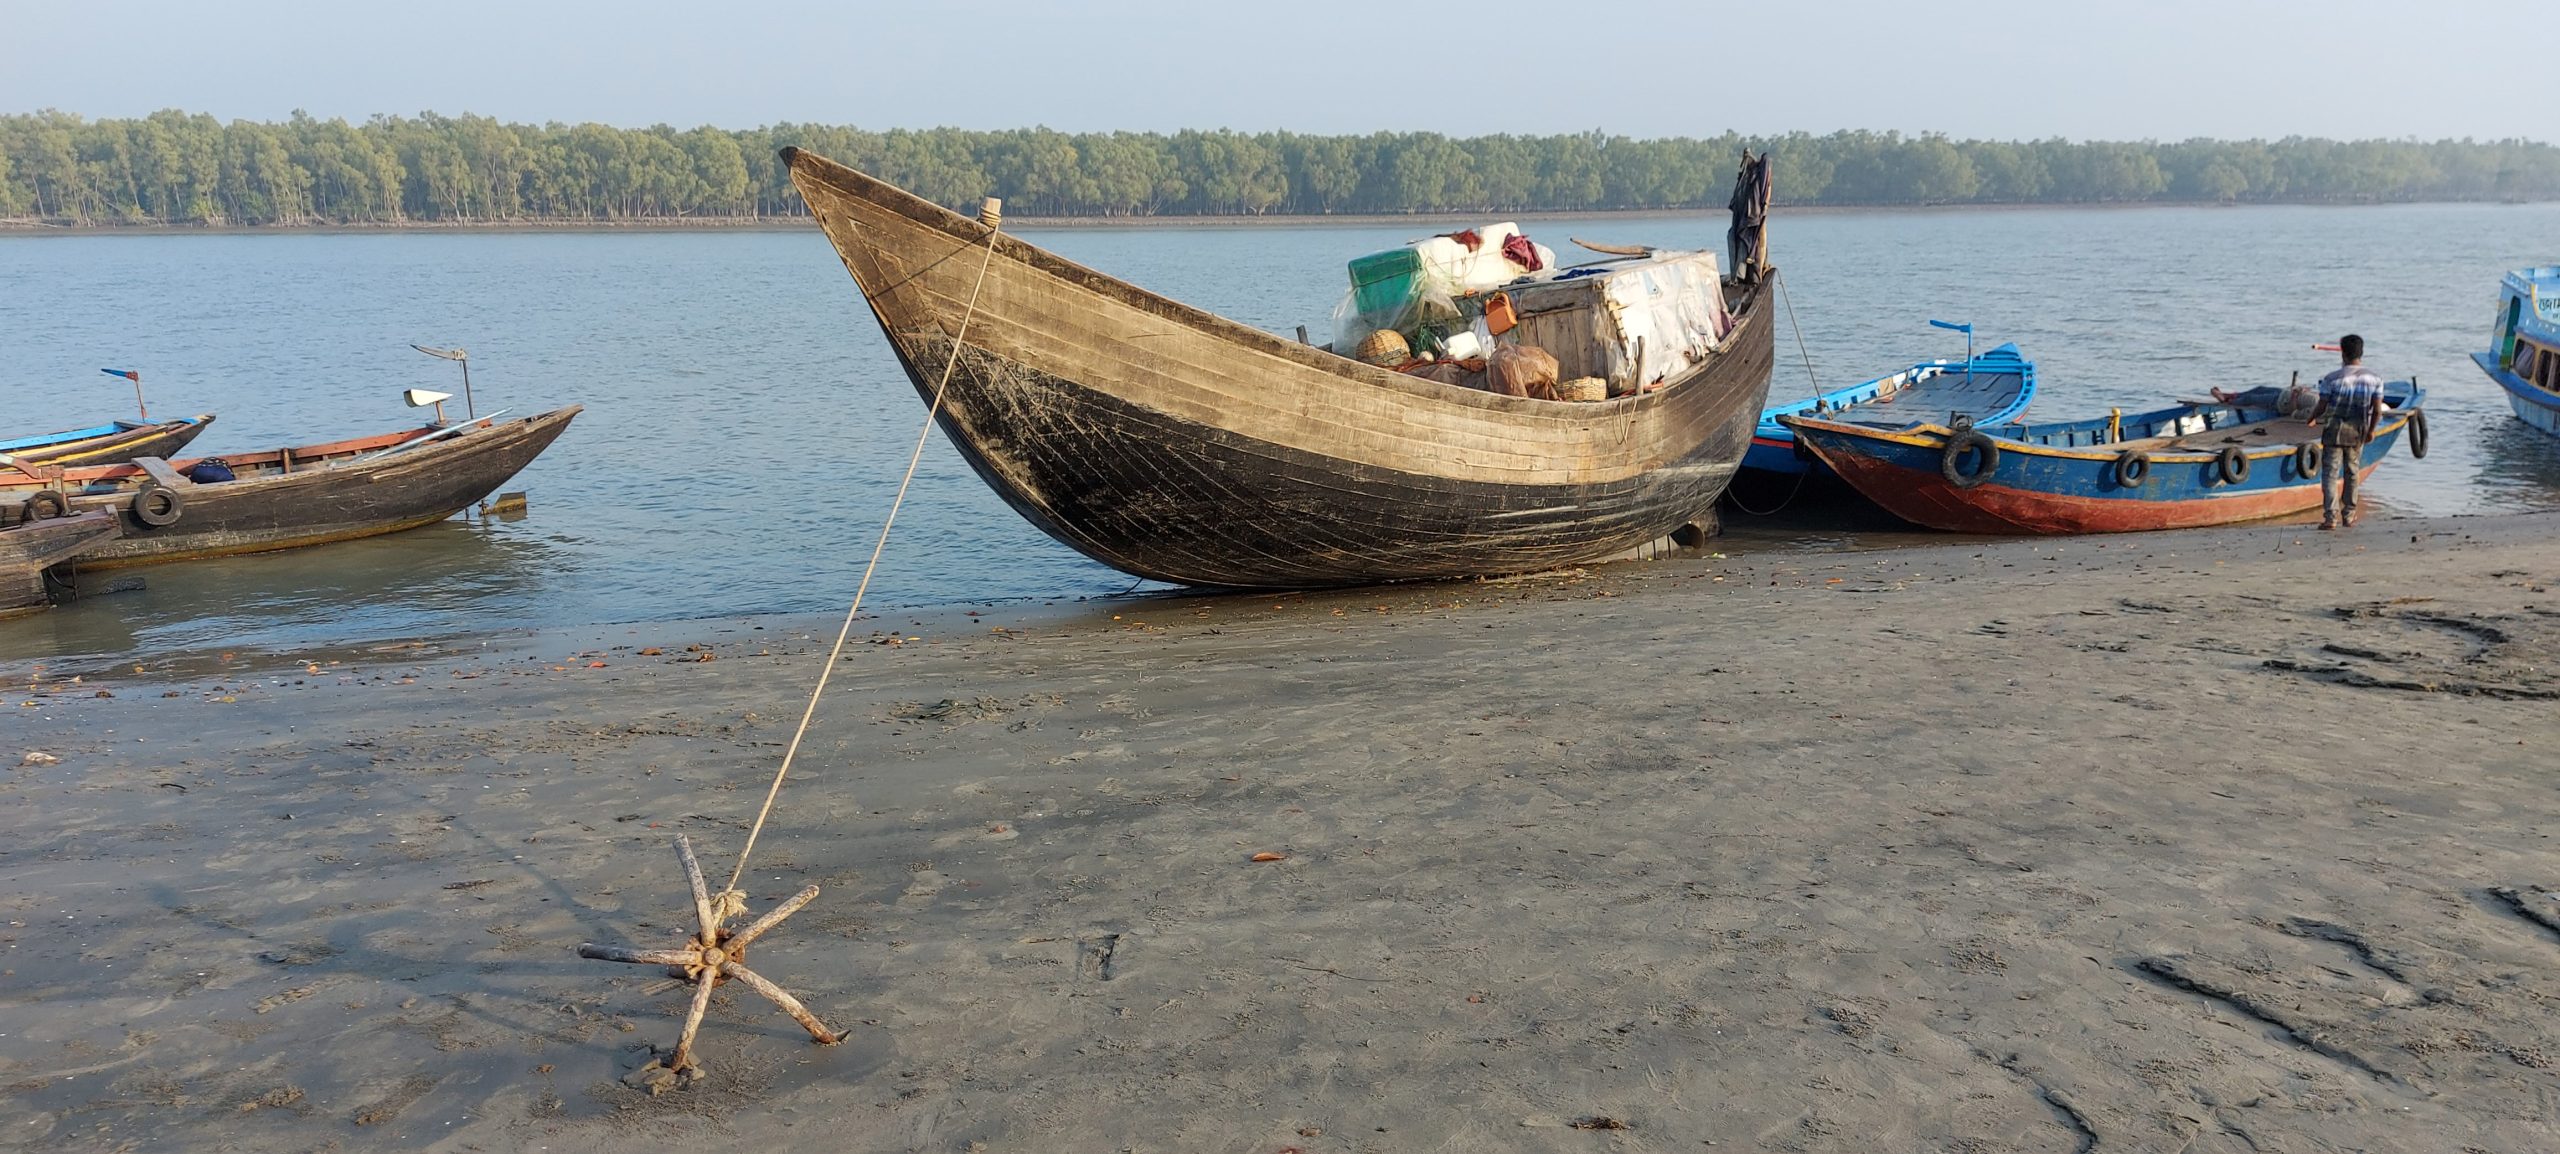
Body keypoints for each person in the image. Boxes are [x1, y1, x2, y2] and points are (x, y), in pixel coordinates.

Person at [2306, 334, 2385, 530]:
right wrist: (2371, 431)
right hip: (2358, 431)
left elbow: (2322, 405)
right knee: (2352, 473)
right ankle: (2349, 516)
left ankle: (2330, 518)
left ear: (2343, 353)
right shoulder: (2374, 379)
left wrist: (2312, 417)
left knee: (2330, 474)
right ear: (2361, 352)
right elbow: (2376, 409)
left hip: (2333, 431)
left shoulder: (2332, 379)